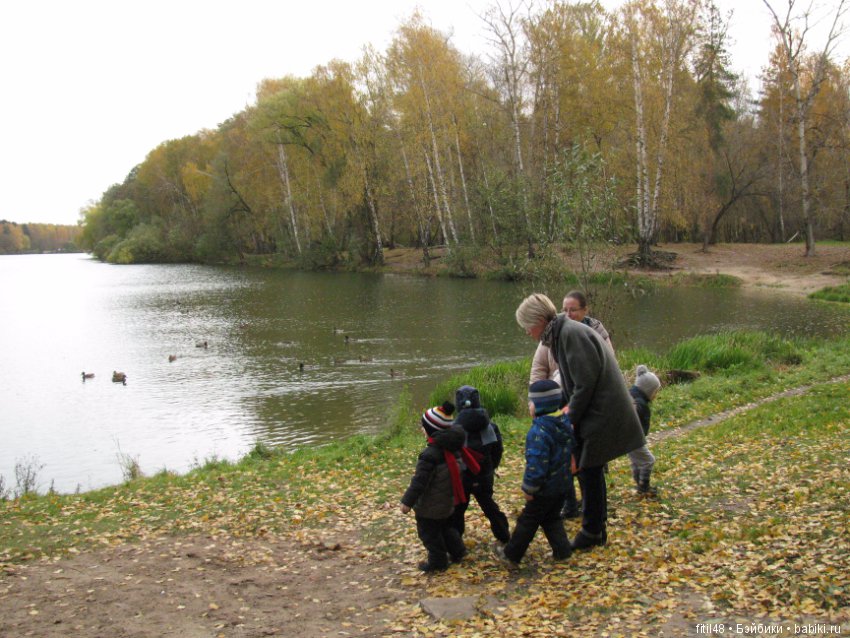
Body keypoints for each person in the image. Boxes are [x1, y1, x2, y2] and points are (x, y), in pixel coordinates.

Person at [515, 293, 645, 550]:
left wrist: (568, 418)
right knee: (589, 468)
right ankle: (594, 529)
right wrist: (555, 410)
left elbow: (584, 385)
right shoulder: (560, 334)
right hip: (596, 405)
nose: (528, 333)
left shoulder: (569, 334)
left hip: (603, 407)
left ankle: (593, 531)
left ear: (540, 321)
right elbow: (572, 382)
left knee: (589, 467)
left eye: (528, 327)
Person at [529, 290, 613, 520]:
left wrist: (569, 414)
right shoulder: (552, 336)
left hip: (578, 410)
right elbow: (538, 369)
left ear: (585, 310)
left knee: (587, 465)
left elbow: (590, 378)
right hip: (556, 406)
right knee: (564, 459)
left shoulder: (584, 334)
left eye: (573, 309)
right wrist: (535, 399)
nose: (568, 314)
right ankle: (573, 507)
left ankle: (592, 518)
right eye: (564, 309)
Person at [495, 379, 574, 567]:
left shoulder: (539, 432)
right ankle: (563, 551)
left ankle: (511, 555)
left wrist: (530, 488)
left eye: (530, 402)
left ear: (539, 406)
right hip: (562, 484)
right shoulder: (564, 423)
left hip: (544, 488)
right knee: (551, 518)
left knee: (527, 521)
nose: (528, 405)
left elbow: (537, 464)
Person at [399, 404, 468, 572]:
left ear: (432, 430)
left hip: (429, 507)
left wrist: (407, 502)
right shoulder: (453, 448)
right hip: (447, 502)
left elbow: (419, 482)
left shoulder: (430, 455)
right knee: (446, 527)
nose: (422, 430)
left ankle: (437, 562)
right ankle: (458, 551)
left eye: (424, 427)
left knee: (429, 534)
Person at [451, 385, 512, 545]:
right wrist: (492, 467)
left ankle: (455, 542)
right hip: (485, 474)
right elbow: (497, 450)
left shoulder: (452, 429)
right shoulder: (492, 427)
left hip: (462, 477)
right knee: (489, 506)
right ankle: (504, 535)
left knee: (458, 510)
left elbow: (450, 454)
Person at [628, 365, 661, 496]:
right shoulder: (638, 404)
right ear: (647, 390)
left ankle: (639, 483)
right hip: (633, 438)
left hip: (631, 438)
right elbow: (631, 415)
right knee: (648, 460)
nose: (656, 395)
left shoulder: (634, 398)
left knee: (637, 462)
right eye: (655, 391)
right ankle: (643, 487)